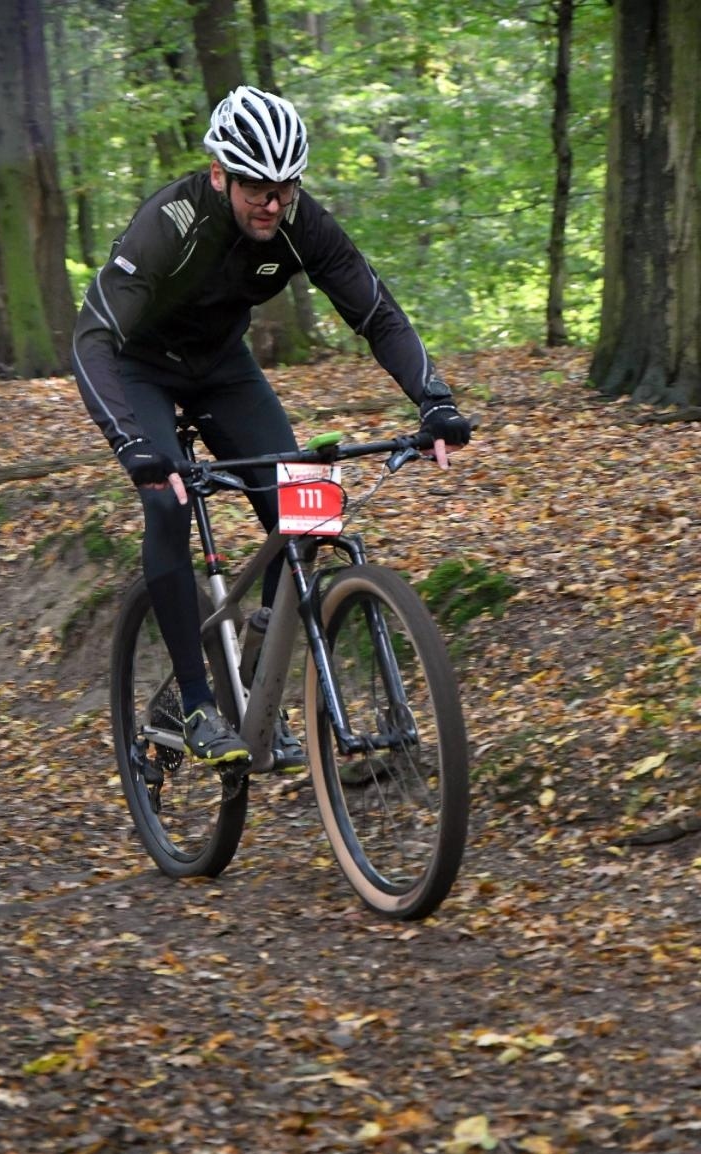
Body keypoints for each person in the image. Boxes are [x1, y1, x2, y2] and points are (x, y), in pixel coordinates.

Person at [72, 85, 471, 772]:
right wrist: (131, 442)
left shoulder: (299, 221)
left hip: (223, 368)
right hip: (141, 369)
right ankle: (195, 702)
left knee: (307, 510)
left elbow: (375, 312)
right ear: (220, 174)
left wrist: (433, 401)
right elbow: (92, 337)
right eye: (258, 187)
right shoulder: (170, 222)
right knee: (167, 503)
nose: (273, 203)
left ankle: (255, 687)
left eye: (286, 187)